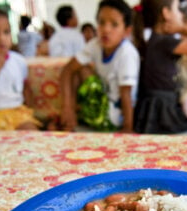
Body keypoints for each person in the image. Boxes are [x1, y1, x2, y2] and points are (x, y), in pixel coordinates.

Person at [133, 0, 187, 134]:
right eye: (177, 9)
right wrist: (183, 28)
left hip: (153, 105)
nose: (181, 15)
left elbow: (183, 43)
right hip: (164, 110)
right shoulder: (165, 42)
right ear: (166, 13)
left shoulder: (156, 40)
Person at [58, 0, 139, 132]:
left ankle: (73, 121)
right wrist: (67, 106)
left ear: (126, 31)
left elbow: (126, 93)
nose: (106, 29)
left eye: (114, 24)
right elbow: (67, 70)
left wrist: (128, 128)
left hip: (114, 116)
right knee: (78, 70)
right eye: (101, 23)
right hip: (101, 103)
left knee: (83, 71)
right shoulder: (96, 44)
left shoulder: (127, 53)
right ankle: (70, 117)